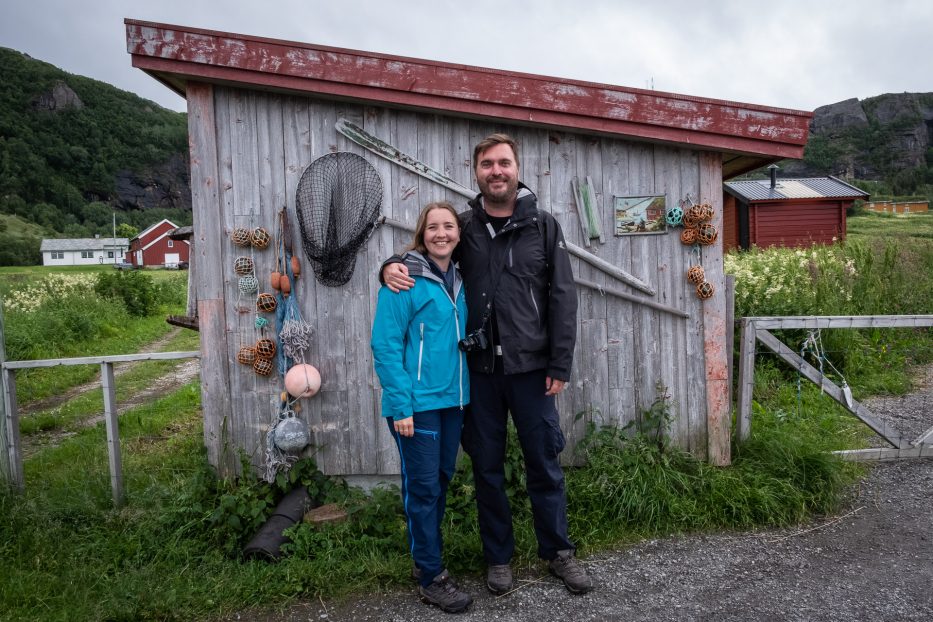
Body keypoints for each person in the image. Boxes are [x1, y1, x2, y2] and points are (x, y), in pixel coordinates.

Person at [382, 134, 593, 595]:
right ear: (475, 171)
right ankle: (499, 558)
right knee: (488, 469)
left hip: (533, 371)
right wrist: (390, 263)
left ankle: (558, 552)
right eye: (487, 165)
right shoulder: (464, 227)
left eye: (504, 163)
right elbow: (425, 252)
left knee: (545, 462)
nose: (496, 171)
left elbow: (563, 296)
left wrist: (560, 361)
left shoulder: (543, 225)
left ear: (517, 168)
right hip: (478, 374)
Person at [370, 201, 473, 613]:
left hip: (454, 401)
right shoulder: (404, 281)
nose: (442, 233)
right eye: (433, 227)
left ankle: (423, 560)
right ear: (421, 234)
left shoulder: (463, 278)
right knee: (424, 487)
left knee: (440, 480)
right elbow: (385, 345)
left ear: (459, 234)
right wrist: (401, 405)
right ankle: (431, 576)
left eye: (449, 226)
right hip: (417, 405)